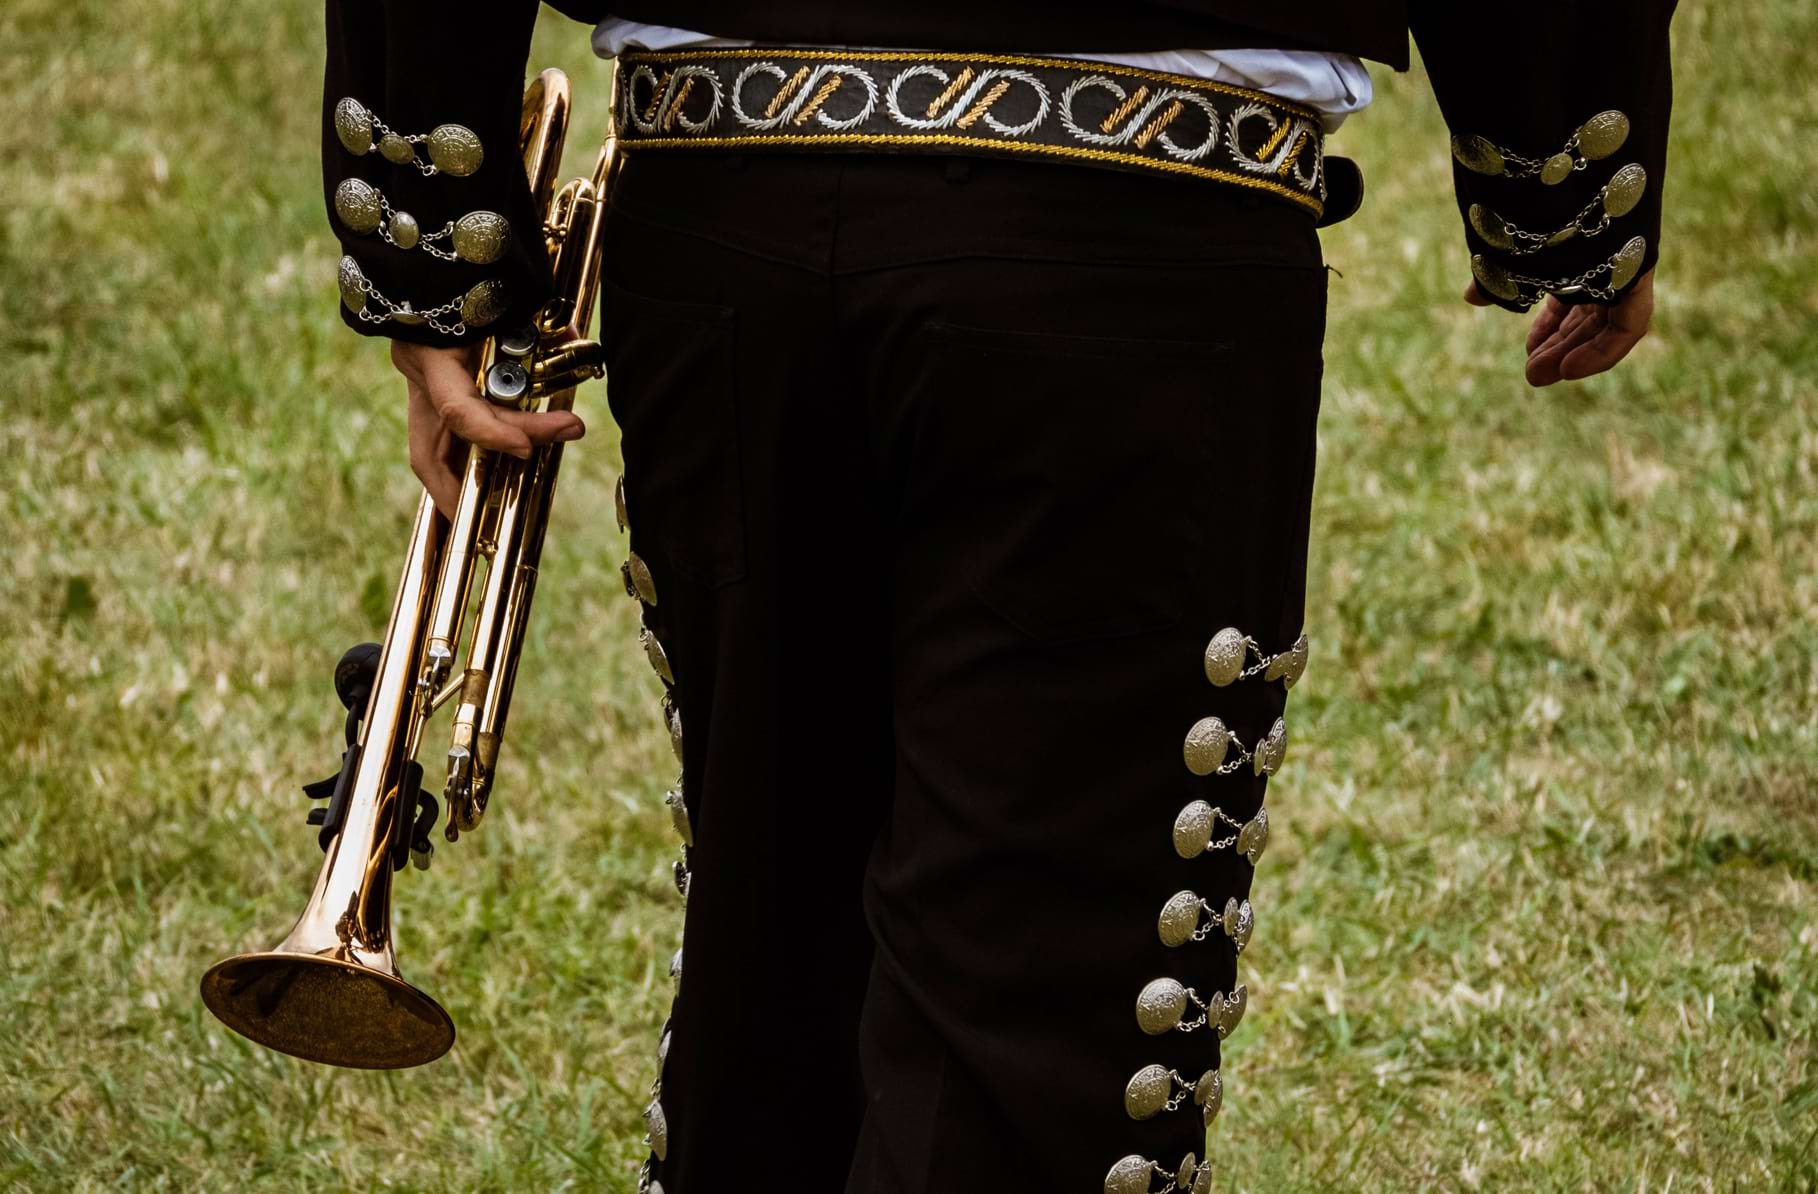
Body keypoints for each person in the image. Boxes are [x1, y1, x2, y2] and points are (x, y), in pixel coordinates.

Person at [322, 3, 1674, 1190]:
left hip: (731, 172)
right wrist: (1561, 156)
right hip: (1141, 201)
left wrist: (433, 238)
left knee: (775, 968)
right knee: (1026, 1017)